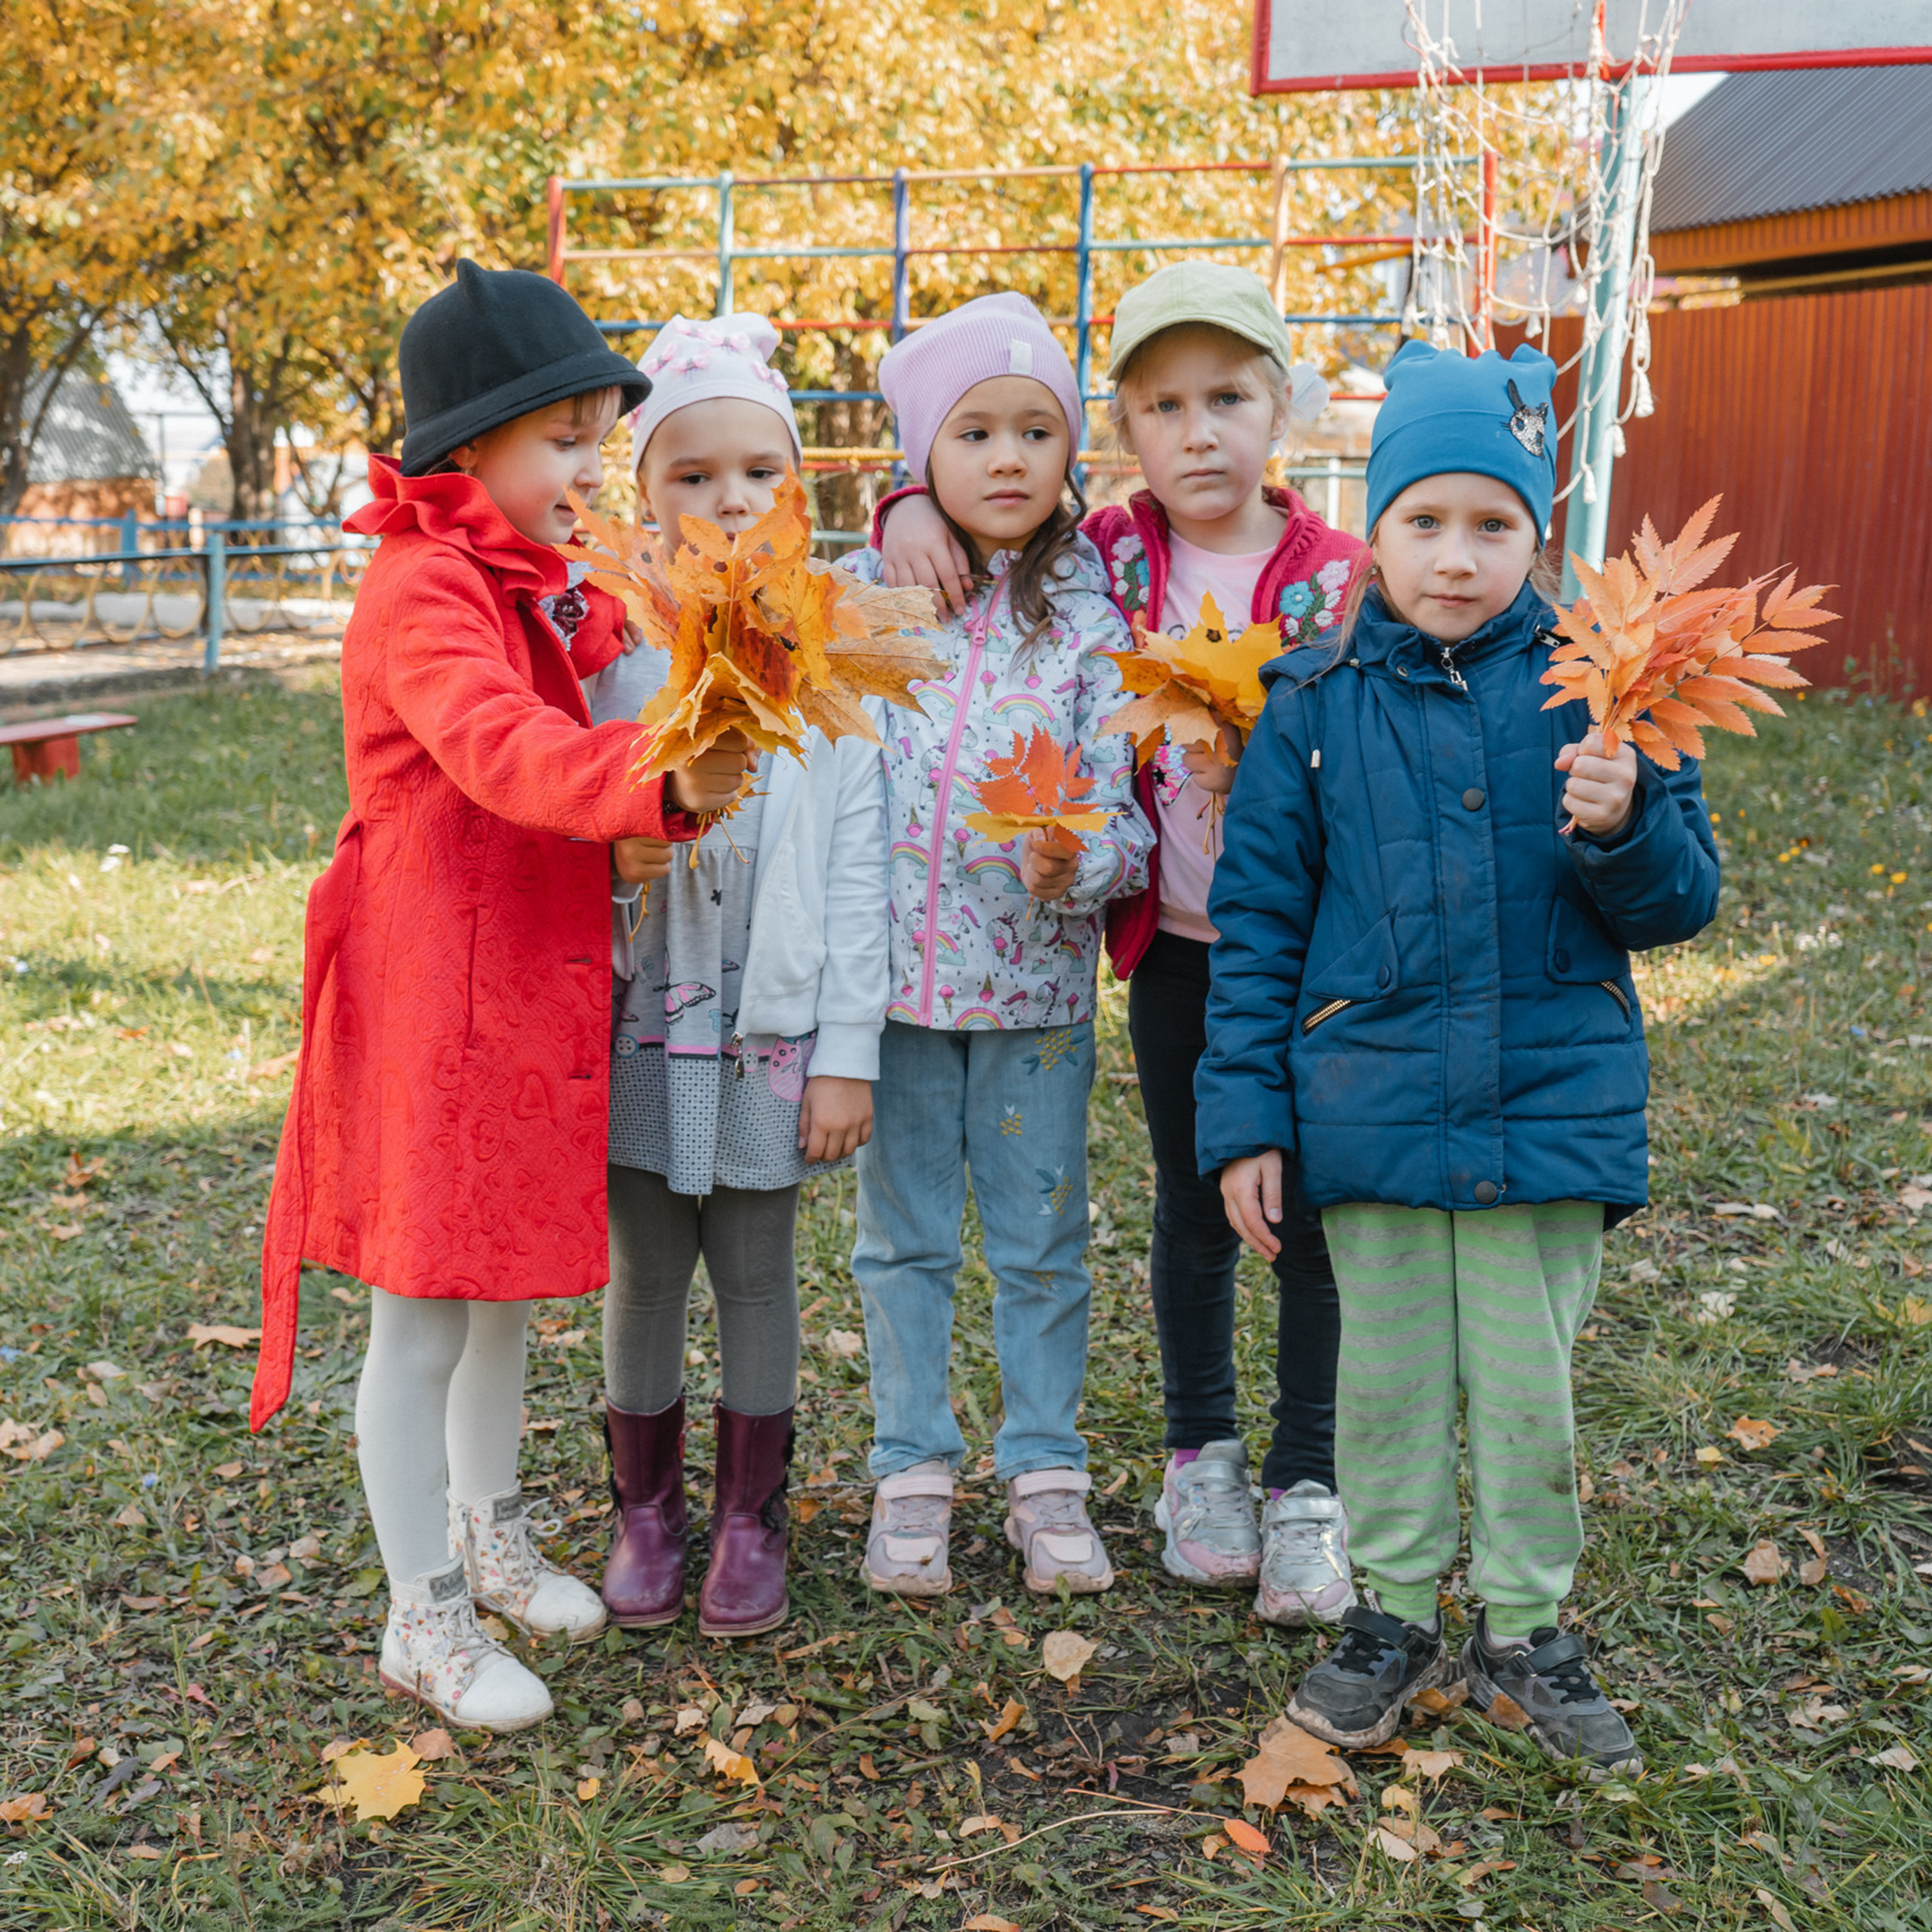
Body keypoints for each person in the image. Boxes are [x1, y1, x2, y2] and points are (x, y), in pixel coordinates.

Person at [1200, 340, 1719, 1774]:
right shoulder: (1311, 705)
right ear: (1376, 527)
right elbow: (1256, 925)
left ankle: (1528, 1630)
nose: (1456, 555)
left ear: (1536, 536)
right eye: (1424, 520)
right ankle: (1395, 1614)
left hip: (1550, 1107)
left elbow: (1682, 904)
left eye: (1493, 524)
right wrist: (1249, 1119)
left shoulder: (1608, 696)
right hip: (1367, 1114)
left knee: (1523, 1378)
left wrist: (1625, 825)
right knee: (1386, 1386)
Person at [251, 263, 744, 1733]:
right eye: (564, 442)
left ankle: (487, 1528)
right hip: (431, 997)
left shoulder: (524, 579)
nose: (589, 470)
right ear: (467, 451)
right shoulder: (423, 589)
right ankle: (423, 1610)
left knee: (500, 1293)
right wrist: (650, 779)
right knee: (421, 1313)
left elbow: (595, 684)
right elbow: (497, 747)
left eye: (599, 438)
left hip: (521, 988)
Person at [875, 262, 1364, 1623]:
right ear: (1130, 435)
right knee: (1193, 1199)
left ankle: (1308, 1481)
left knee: (1310, 1209)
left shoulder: (1337, 581)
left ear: (1283, 408)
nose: (1199, 432)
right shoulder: (1116, 556)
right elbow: (980, 502)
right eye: (1163, 406)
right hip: (1179, 949)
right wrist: (907, 493)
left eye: (1228, 400)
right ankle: (1199, 1459)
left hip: (1317, 957)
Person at [845, 293, 1153, 1598]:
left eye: (1039, 430)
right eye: (974, 433)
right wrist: (889, 515)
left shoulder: (1095, 602)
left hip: (1033, 993)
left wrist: (1075, 862)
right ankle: (912, 1469)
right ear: (924, 455)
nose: (1010, 459)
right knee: (901, 1244)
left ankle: (1045, 1473)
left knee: (1039, 1243)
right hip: (898, 1004)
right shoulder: (873, 591)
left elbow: (1126, 809)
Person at [586, 314, 886, 1641]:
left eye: (758, 473)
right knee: (645, 1274)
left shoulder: (836, 663)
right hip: (641, 1021)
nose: (729, 500)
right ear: (643, 493)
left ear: (797, 488)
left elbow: (862, 876)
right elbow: (564, 825)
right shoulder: (607, 659)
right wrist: (617, 859)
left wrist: (846, 1055)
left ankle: (751, 1520)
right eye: (693, 475)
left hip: (771, 1032)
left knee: (759, 1271)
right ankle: (644, 1511)